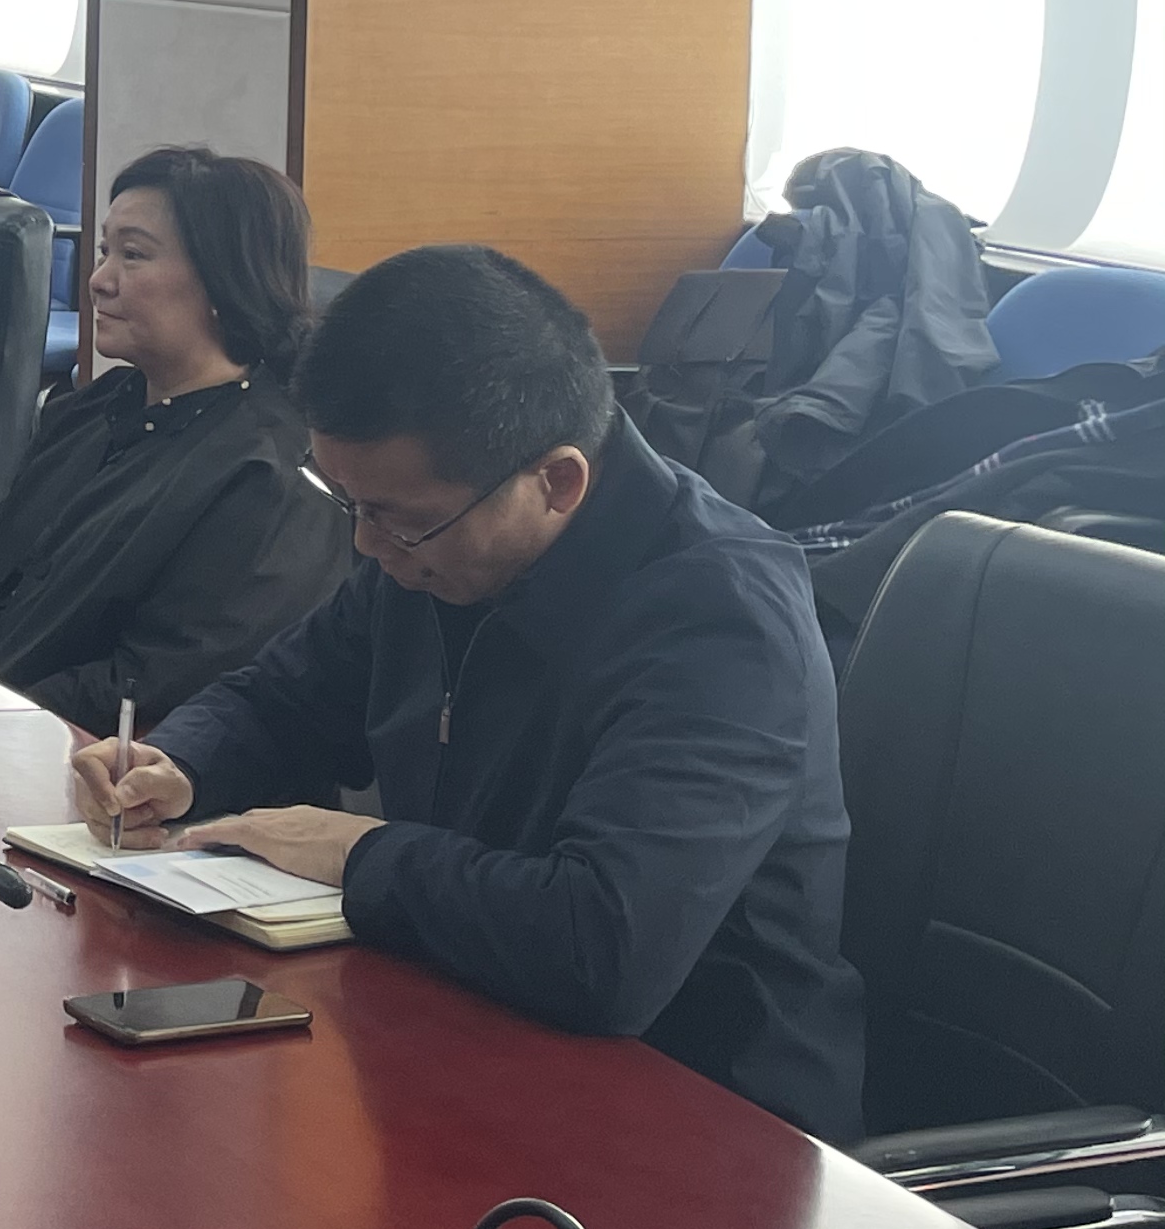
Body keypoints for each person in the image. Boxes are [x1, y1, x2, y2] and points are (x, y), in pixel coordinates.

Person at [70, 243, 862, 1140]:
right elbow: (284, 697)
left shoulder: (721, 619)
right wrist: (177, 761)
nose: (367, 547)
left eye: (395, 519)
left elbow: (603, 947)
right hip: (466, 1025)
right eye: (349, 503)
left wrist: (358, 854)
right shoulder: (434, 543)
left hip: (705, 1121)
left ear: (556, 481)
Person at [0, 147, 346, 729]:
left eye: (133, 255)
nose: (99, 281)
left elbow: (153, 684)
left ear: (224, 280)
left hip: (52, 751)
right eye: (105, 252)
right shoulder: (95, 405)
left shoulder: (268, 475)